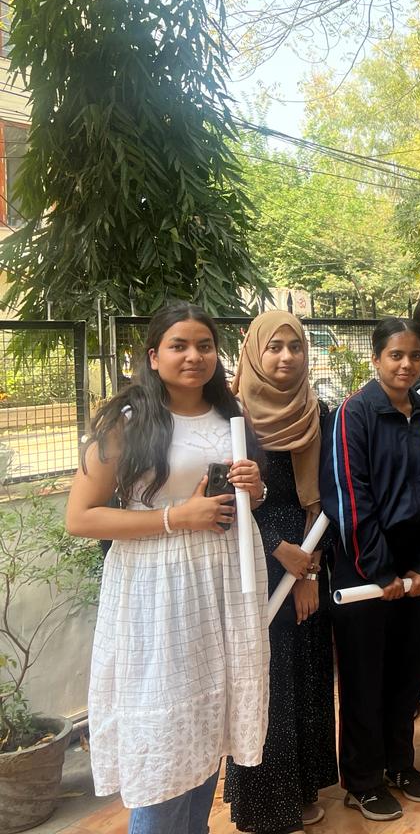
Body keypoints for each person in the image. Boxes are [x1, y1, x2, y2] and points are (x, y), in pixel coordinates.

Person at [67, 303, 269, 832]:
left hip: (222, 585)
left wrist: (255, 486)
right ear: (153, 356)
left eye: (204, 345)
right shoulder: (128, 422)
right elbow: (81, 517)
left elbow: (242, 499)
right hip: (156, 592)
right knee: (164, 732)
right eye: (179, 345)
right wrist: (177, 517)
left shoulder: (233, 416)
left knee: (206, 726)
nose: (194, 356)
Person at [323, 317, 420, 820]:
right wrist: (380, 572)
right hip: (365, 573)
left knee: (407, 674)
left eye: (414, 357)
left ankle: (401, 763)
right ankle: (362, 778)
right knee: (365, 678)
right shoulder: (353, 415)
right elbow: (350, 499)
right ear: (376, 360)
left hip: (418, 569)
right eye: (395, 356)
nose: (406, 365)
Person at [224, 312, 337, 833]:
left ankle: (304, 785)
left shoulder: (320, 412)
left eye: (295, 346)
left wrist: (309, 569)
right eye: (274, 348)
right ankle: (266, 803)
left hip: (309, 557)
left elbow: (329, 494)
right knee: (269, 678)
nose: (286, 357)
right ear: (254, 353)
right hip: (254, 560)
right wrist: (277, 548)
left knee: (308, 674)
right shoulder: (232, 416)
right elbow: (224, 497)